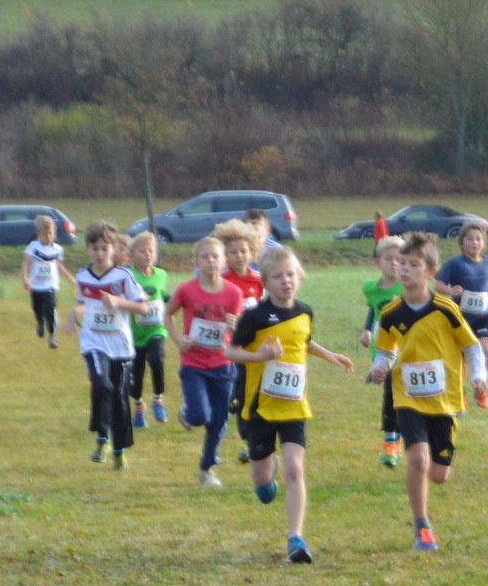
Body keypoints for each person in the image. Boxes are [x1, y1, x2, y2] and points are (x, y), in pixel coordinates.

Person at [230, 245, 360, 564]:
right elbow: (230, 352)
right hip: (260, 407)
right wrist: (260, 356)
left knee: (295, 469)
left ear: (299, 277)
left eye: (290, 275)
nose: (286, 281)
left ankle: (296, 539)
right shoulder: (254, 317)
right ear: (265, 282)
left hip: (294, 405)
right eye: (278, 276)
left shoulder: (305, 312)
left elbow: (303, 340)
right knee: (261, 477)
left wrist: (328, 354)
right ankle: (266, 476)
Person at [368, 232, 483, 553]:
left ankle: (430, 477)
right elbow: (385, 350)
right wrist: (379, 367)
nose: (404, 269)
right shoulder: (391, 313)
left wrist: (479, 376)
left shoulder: (446, 309)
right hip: (408, 396)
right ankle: (422, 527)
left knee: (439, 475)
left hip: (445, 399)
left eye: (413, 264)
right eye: (401, 263)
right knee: (418, 459)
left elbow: (472, 347)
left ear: (430, 272)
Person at [169, 237, 247, 487]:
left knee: (219, 419)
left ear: (223, 262)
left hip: (223, 364)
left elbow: (238, 334)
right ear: (196, 262)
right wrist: (178, 339)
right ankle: (187, 413)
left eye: (215, 256)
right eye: (205, 257)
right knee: (200, 415)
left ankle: (207, 468)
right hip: (193, 363)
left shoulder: (233, 293)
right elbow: (167, 314)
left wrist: (235, 327)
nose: (211, 261)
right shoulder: (186, 290)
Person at [75, 224, 151, 469]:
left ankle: (118, 450)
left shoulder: (123, 276)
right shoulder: (82, 276)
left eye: (104, 248)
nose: (99, 253)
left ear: (114, 249)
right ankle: (101, 435)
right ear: (87, 248)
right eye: (94, 248)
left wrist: (118, 301)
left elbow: (142, 308)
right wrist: (73, 313)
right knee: (101, 384)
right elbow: (83, 303)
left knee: (119, 396)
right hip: (93, 342)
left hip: (121, 346)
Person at [438, 219, 488, 410]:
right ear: (462, 242)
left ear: (484, 243)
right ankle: (460, 391)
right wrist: (451, 291)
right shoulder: (454, 263)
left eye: (478, 239)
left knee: (486, 351)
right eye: (470, 239)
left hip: (485, 315)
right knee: (463, 358)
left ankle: (481, 389)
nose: (475, 243)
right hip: (461, 317)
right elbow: (438, 285)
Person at [362, 235, 408, 469]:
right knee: (390, 392)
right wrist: (365, 330)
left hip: (406, 347)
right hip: (381, 347)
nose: (394, 264)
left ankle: (402, 436)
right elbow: (373, 310)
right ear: (378, 262)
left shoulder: (408, 287)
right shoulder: (371, 288)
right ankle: (391, 442)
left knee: (400, 393)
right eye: (389, 259)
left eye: (399, 259)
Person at [124, 228, 174, 428]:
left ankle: (158, 400)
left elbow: (161, 295)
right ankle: (139, 406)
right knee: (136, 375)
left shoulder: (161, 274)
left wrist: (175, 302)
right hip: (134, 334)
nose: (147, 254)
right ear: (132, 256)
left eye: (151, 250)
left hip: (156, 329)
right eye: (142, 251)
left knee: (157, 359)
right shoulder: (129, 276)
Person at [23, 214, 67, 346]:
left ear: (54, 234)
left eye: (50, 234)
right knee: (37, 308)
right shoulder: (33, 246)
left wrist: (71, 279)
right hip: (36, 285)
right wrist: (26, 279)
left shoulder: (58, 249)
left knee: (50, 308)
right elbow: (25, 263)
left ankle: (52, 336)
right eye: (45, 234)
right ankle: (40, 322)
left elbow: (58, 265)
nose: (48, 237)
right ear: (39, 235)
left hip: (50, 285)